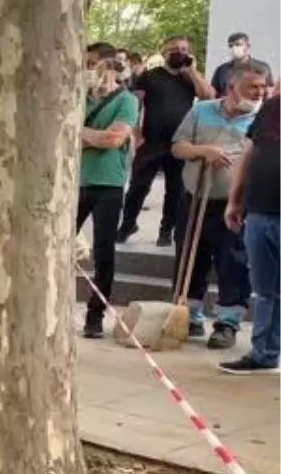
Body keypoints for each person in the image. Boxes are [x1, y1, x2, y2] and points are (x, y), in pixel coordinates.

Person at [169, 64, 264, 348]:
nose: (260, 93)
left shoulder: (264, 117)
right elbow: (178, 146)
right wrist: (204, 151)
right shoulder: (202, 110)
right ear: (232, 87)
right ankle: (190, 315)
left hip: (234, 205)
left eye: (263, 87)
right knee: (190, 257)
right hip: (195, 197)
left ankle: (227, 323)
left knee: (233, 262)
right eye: (253, 87)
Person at [118, 35, 216, 247]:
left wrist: (191, 70)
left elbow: (208, 95)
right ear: (164, 53)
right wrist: (135, 133)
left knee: (175, 190)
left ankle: (166, 231)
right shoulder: (149, 76)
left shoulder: (190, 79)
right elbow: (135, 103)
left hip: (180, 143)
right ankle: (127, 225)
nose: (179, 52)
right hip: (151, 142)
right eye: (175, 49)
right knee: (138, 186)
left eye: (184, 49)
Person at [79, 42, 140, 338]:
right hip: (76, 182)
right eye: (87, 64)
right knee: (55, 244)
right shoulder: (79, 98)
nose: (90, 70)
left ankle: (95, 314)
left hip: (109, 184)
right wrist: (93, 136)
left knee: (104, 251)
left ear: (110, 66)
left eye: (94, 64)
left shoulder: (127, 100)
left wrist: (79, 134)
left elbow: (115, 139)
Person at [222, 94, 281, 374]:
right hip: (259, 210)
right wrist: (234, 199)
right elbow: (249, 151)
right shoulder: (272, 106)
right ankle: (263, 354)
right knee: (265, 289)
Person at [211, 33, 274, 99]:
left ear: (248, 46)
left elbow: (268, 92)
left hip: (255, 106)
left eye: (238, 44)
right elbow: (214, 94)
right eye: (230, 45)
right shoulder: (221, 70)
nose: (234, 48)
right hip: (229, 107)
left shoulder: (262, 67)